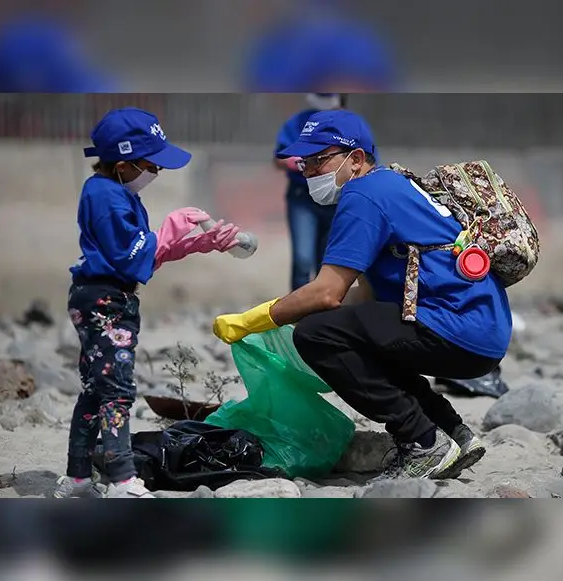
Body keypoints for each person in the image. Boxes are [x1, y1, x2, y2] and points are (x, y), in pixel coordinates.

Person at [213, 110, 512, 480]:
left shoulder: (363, 195)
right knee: (353, 334)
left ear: (355, 159)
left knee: (317, 335)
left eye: (318, 160)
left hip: (455, 327)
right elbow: (364, 298)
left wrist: (255, 319)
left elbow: (327, 292)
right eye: (303, 162)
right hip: (482, 330)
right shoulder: (390, 185)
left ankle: (421, 441)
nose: (307, 171)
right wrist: (297, 311)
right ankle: (451, 432)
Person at [55, 107, 240, 499]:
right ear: (123, 164)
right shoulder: (105, 196)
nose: (156, 172)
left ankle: (78, 477)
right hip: (105, 302)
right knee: (117, 391)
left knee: (95, 389)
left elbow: (148, 254)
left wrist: (199, 243)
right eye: (152, 165)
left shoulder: (118, 192)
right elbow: (130, 255)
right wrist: (172, 226)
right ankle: (122, 479)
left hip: (104, 296)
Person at [275, 93, 347, 291]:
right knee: (303, 259)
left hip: (336, 199)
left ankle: (320, 305)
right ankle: (297, 306)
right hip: (303, 198)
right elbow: (278, 158)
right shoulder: (299, 122)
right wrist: (291, 161)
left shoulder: (350, 125)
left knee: (327, 262)